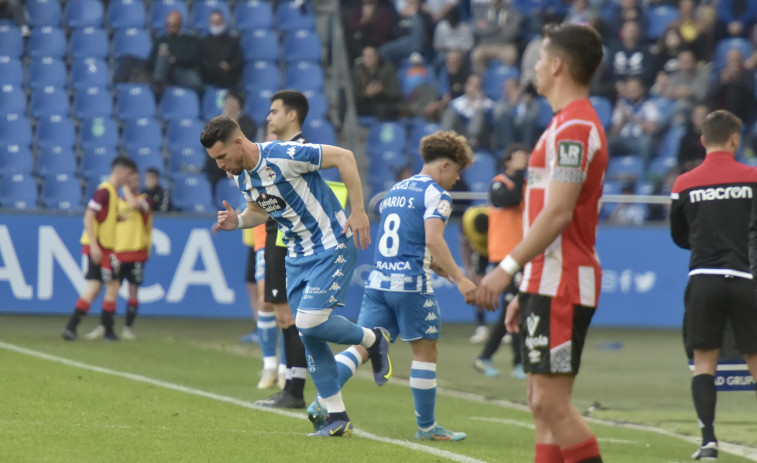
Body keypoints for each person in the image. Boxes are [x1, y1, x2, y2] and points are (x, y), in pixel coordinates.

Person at [202, 116, 392, 437]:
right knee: (308, 334)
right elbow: (260, 210)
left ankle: (374, 339)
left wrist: (358, 210)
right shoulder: (242, 178)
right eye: (215, 160)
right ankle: (337, 416)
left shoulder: (284, 154)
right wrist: (239, 221)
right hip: (297, 256)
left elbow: (345, 157)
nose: (221, 165)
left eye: (222, 157)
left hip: (332, 244)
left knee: (308, 322)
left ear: (238, 142)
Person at [476, 23, 607, 463]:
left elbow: (558, 213)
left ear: (557, 65)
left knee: (552, 403)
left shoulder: (575, 127)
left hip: (564, 279)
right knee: (539, 404)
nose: (533, 65)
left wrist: (506, 268)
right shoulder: (562, 124)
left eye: (539, 57)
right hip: (545, 279)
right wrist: (526, 285)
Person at [308, 131, 476, 441]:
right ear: (443, 166)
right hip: (410, 284)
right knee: (426, 350)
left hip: (379, 281)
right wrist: (463, 279)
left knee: (364, 346)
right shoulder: (437, 194)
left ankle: (322, 401)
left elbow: (407, 240)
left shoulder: (396, 189)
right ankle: (427, 428)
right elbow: (432, 239)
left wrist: (435, 262)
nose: (457, 179)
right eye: (457, 170)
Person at [669, 109, 757, 462]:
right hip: (746, 279)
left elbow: (678, 236)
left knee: (704, 362)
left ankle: (708, 442)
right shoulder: (753, 177)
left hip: (703, 278)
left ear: (703, 141)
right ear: (735, 139)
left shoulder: (684, 183)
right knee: (755, 359)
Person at [62, 157, 138, 342]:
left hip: (101, 247)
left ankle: (72, 327)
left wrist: (115, 218)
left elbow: (100, 218)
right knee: (112, 286)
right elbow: (89, 216)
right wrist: (95, 246)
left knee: (95, 287)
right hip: (100, 248)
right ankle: (108, 331)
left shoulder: (112, 192)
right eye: (128, 174)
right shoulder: (105, 191)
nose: (129, 179)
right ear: (120, 172)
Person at [474, 144, 530, 380]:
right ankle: (511, 361)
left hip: (524, 253)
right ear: (507, 161)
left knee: (517, 307)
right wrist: (517, 174)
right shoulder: (499, 183)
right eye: (519, 158)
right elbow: (509, 199)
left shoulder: (526, 185)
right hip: (505, 254)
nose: (524, 162)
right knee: (513, 306)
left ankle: (490, 357)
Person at [86, 169, 154, 341]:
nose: (136, 181)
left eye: (138, 179)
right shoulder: (115, 202)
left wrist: (125, 189)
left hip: (137, 253)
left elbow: (135, 206)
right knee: (112, 291)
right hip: (117, 252)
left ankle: (128, 328)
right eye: (132, 178)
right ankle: (104, 325)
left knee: (133, 291)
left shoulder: (145, 200)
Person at [148, 10, 202, 94]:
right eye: (168, 25)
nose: (170, 28)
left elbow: (193, 57)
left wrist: (174, 59)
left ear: (180, 24)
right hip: (163, 70)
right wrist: (162, 56)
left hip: (182, 69)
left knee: (196, 83)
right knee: (162, 56)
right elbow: (151, 61)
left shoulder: (189, 39)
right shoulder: (160, 40)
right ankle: (158, 85)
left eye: (174, 25)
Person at [199, 10, 242, 90]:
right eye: (213, 22)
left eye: (218, 22)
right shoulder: (204, 42)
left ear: (223, 22)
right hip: (210, 75)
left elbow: (238, 59)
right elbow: (202, 61)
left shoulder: (232, 41)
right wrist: (217, 66)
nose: (215, 25)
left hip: (229, 74)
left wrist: (228, 66)